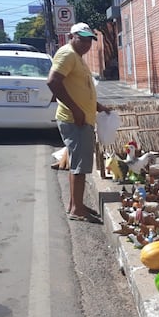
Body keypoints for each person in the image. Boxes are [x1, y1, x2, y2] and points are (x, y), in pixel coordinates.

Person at [47, 22, 111, 222]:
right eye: (81, 39)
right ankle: (77, 209)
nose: (85, 44)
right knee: (80, 166)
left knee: (77, 163)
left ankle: (76, 204)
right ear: (71, 37)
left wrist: (97, 106)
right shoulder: (67, 54)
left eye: (89, 41)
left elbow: (79, 88)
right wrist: (76, 110)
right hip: (75, 120)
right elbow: (53, 81)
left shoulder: (77, 57)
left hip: (81, 118)